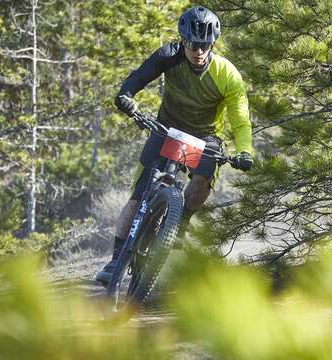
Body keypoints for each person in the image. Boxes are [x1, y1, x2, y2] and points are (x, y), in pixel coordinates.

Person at [96, 5, 254, 285]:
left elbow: (240, 119)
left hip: (204, 136)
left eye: (205, 45)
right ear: (183, 40)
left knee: (202, 179)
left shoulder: (227, 74)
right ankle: (114, 261)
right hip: (167, 128)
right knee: (136, 199)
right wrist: (126, 95)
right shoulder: (169, 56)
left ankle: (178, 225)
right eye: (193, 44)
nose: (198, 50)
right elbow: (140, 76)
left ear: (212, 44)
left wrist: (244, 151)